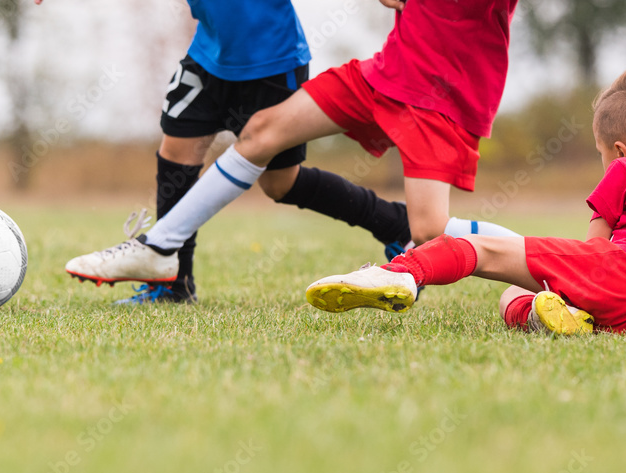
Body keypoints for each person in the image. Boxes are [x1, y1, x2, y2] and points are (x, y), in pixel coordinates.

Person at [64, 0, 521, 288]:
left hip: (437, 97)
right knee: (262, 132)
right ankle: (160, 248)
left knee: (428, 233)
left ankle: (554, 262)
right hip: (385, 72)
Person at [305, 63, 626, 336]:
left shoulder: (625, 171)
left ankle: (400, 272)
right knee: (513, 297)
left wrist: (581, 275)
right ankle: (544, 316)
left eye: (601, 153)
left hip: (619, 276)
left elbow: (595, 251)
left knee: (486, 251)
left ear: (619, 151)